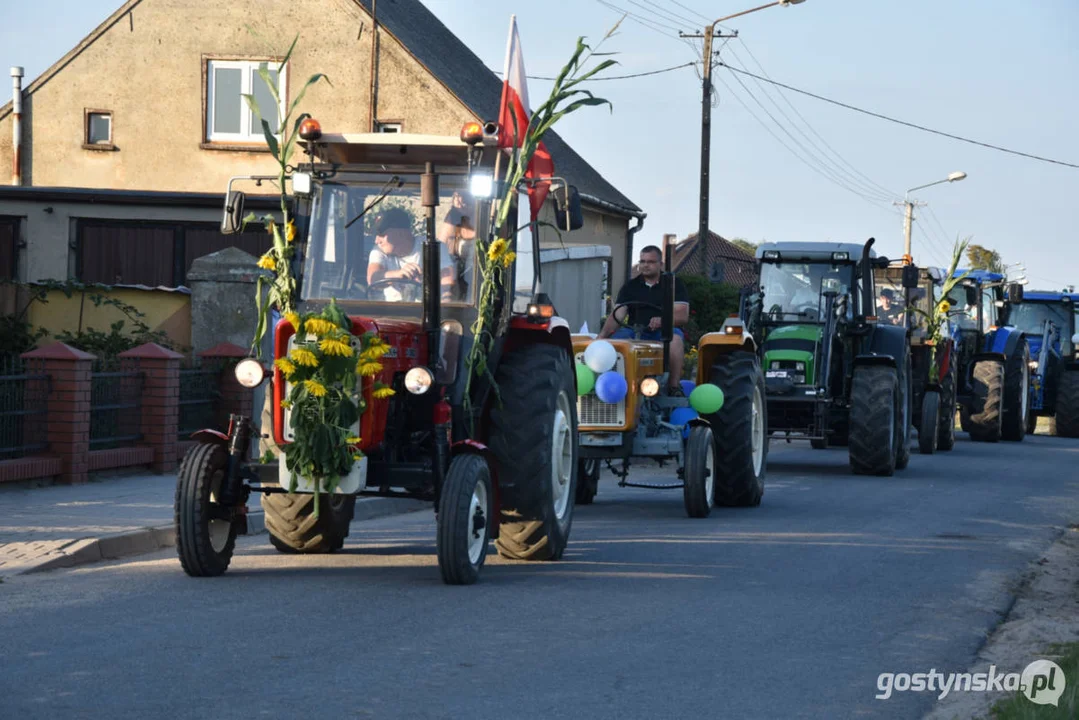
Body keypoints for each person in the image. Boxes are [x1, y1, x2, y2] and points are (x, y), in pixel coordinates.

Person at [597, 245, 690, 396]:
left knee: (675, 340)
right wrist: (601, 337)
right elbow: (617, 315)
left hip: (663, 331)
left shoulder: (674, 285)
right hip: (634, 331)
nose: (645, 265)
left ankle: (674, 387)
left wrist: (663, 320)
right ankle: (612, 386)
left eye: (651, 262)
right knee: (613, 343)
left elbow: (682, 315)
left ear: (660, 264)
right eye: (642, 261)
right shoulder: (630, 287)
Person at [366, 207, 455, 302]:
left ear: (400, 232)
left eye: (382, 235)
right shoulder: (379, 251)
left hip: (427, 310)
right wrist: (398, 274)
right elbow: (372, 278)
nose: (377, 240)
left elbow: (448, 284)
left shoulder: (432, 246)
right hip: (392, 313)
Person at [437, 190, 476, 301]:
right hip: (458, 277)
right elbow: (441, 249)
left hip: (479, 277)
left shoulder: (490, 218)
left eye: (465, 197)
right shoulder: (453, 218)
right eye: (457, 196)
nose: (460, 200)